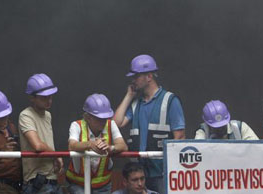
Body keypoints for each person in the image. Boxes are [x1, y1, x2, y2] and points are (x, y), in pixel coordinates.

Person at [114, 54, 185, 194]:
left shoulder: (170, 100)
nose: (133, 80)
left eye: (136, 76)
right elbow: (116, 123)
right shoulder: (136, 103)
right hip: (141, 173)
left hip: (161, 173)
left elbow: (180, 137)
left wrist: (172, 168)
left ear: (149, 76)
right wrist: (129, 96)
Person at [66, 93, 127, 194]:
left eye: (105, 117)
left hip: (103, 185)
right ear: (88, 117)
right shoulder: (76, 125)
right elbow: (71, 145)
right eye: (99, 118)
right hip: (77, 184)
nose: (103, 121)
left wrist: (110, 148)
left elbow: (123, 146)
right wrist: (91, 144)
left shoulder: (110, 124)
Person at [19, 73, 64, 194]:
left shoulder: (48, 115)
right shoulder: (26, 115)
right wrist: (56, 155)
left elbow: (45, 143)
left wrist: (55, 158)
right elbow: (38, 146)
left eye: (50, 96)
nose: (49, 100)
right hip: (36, 182)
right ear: (32, 98)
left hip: (51, 179)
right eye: (44, 97)